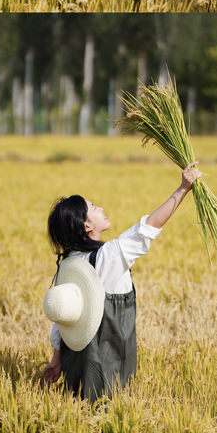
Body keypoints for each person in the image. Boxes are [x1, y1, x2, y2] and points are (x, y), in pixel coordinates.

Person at [41, 161, 202, 401]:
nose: (101, 208)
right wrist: (183, 189)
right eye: (93, 207)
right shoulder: (109, 256)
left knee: (77, 405)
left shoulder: (68, 265)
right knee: (108, 403)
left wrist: (56, 360)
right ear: (87, 226)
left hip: (74, 359)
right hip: (109, 357)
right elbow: (149, 227)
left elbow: (63, 316)